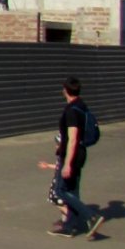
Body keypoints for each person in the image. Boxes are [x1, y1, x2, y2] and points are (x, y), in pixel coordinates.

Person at [42, 77, 105, 238]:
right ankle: (70, 226)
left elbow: (72, 138)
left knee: (60, 190)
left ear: (65, 90)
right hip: (81, 152)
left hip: (72, 153)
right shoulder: (82, 107)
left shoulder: (71, 111)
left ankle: (91, 216)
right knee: (73, 191)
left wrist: (67, 163)